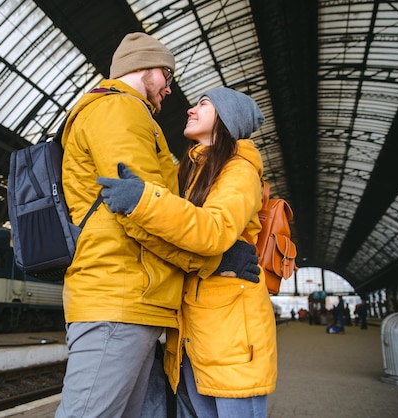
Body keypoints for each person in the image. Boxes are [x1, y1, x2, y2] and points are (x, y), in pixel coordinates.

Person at [55, 33, 258, 418]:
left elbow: (148, 207)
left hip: (135, 297)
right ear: (143, 66)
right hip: (119, 295)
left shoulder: (130, 114)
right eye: (166, 73)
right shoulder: (120, 111)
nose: (169, 86)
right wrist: (210, 263)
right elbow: (141, 215)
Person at [97, 87, 277, 418]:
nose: (191, 110)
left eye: (203, 105)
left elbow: (213, 230)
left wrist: (145, 201)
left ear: (226, 120)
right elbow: (179, 237)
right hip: (193, 335)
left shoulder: (239, 171)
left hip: (232, 335)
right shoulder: (194, 173)